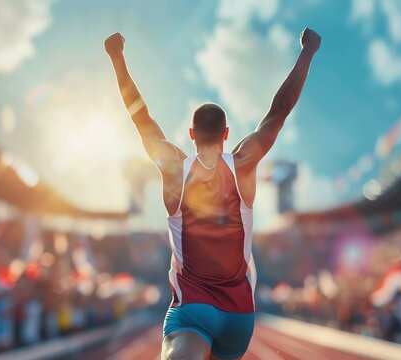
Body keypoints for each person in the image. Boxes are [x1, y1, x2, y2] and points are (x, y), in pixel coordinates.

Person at [104, 26, 321, 360]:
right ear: (227, 133)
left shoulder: (174, 169)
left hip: (193, 309)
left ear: (191, 134)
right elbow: (279, 111)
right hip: (240, 316)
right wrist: (307, 53)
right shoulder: (245, 163)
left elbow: (141, 118)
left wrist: (117, 59)